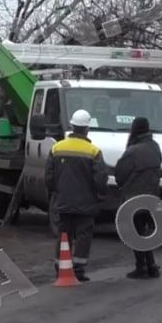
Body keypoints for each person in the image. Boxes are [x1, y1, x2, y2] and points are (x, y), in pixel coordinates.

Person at [45, 109, 109, 282]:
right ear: (87, 129)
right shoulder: (93, 151)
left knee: (63, 234)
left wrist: (54, 193)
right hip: (86, 203)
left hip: (63, 201)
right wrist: (100, 195)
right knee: (83, 236)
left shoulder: (57, 148)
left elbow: (49, 177)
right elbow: (100, 178)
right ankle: (79, 270)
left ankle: (60, 267)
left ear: (72, 126)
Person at [114, 117, 162, 279]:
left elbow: (120, 174)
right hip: (151, 196)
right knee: (144, 232)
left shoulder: (132, 151)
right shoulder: (155, 148)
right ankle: (151, 266)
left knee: (135, 234)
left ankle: (142, 267)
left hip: (133, 197)